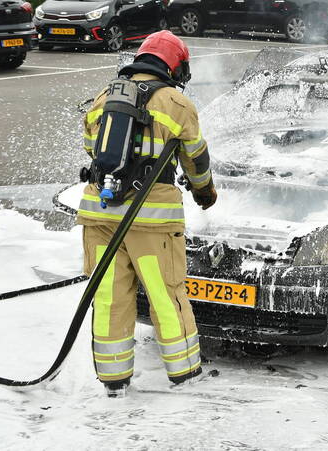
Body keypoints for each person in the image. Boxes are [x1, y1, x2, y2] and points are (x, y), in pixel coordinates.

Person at [77, 30, 217, 397]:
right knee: (165, 294)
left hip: (99, 216)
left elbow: (93, 151)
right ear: (175, 66)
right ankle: (185, 374)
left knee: (109, 298)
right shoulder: (177, 103)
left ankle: (113, 381)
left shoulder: (105, 96)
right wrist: (205, 193)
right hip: (151, 222)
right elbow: (195, 160)